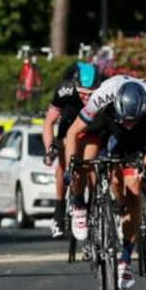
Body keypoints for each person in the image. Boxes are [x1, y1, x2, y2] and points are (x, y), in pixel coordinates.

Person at [65, 74, 146, 290]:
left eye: (133, 121)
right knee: (86, 159)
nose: (128, 125)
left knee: (134, 188)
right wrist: (71, 166)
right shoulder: (101, 99)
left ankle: (126, 257)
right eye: (126, 121)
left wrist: (144, 166)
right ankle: (79, 204)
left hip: (138, 138)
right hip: (106, 123)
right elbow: (73, 132)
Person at [42, 62, 101, 238]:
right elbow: (48, 123)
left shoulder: (103, 91)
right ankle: (59, 210)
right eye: (82, 92)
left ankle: (92, 205)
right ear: (74, 86)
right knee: (64, 165)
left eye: (90, 93)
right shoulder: (64, 91)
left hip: (92, 127)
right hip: (69, 123)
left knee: (88, 165)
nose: (86, 97)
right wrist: (49, 149)